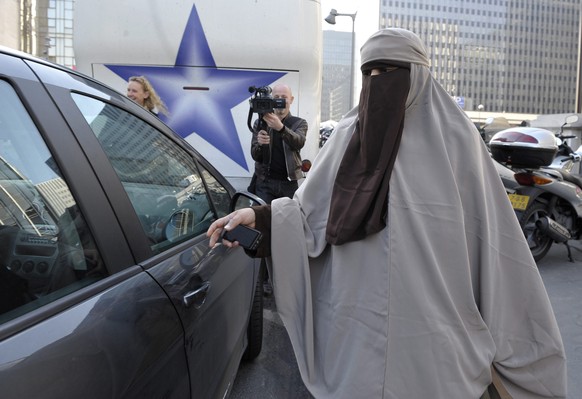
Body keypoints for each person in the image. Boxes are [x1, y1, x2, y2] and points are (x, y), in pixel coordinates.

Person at [208, 29, 566, 398]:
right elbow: (308, 215)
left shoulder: (457, 141)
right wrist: (261, 219)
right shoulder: (348, 136)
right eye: (370, 73)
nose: (379, 83)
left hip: (435, 334)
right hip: (355, 324)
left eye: (390, 71)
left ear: (419, 74)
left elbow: (494, 244)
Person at [249, 84, 308, 204]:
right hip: (265, 183)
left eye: (284, 97)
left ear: (291, 100)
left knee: (288, 220)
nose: (280, 100)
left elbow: (299, 142)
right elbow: (255, 155)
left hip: (288, 183)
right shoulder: (260, 122)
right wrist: (260, 145)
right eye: (276, 97)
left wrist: (281, 128)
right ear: (271, 100)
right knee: (261, 219)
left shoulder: (299, 123)